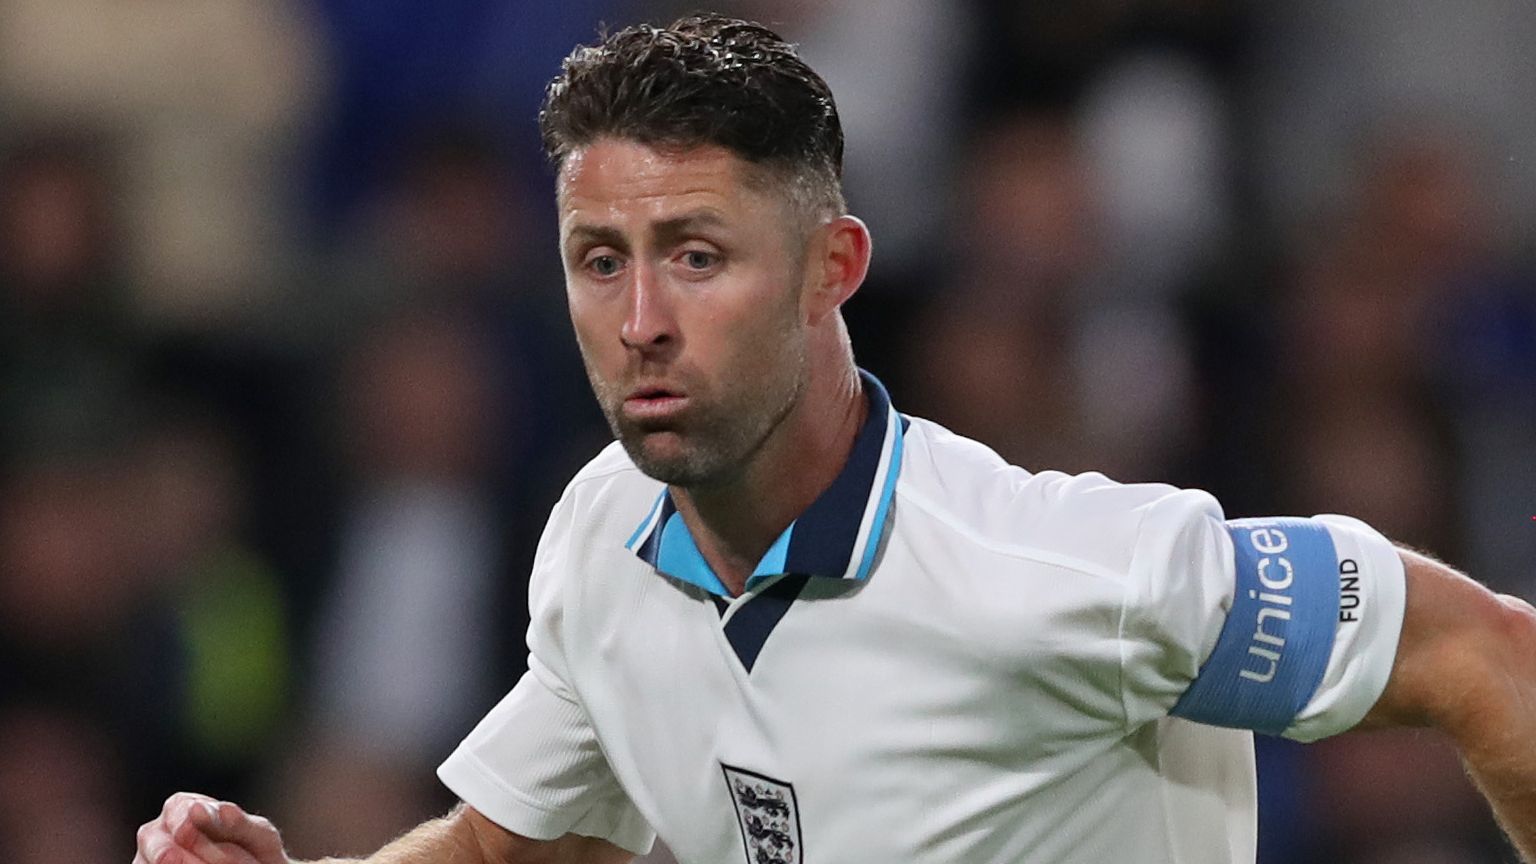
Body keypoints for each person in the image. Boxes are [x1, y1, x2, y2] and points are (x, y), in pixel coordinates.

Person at [134, 14, 1536, 864]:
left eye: (697, 256)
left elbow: (1483, 655)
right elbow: (522, 843)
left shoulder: (1060, 572)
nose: (640, 321)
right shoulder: (604, 530)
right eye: (599, 260)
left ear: (832, 269)